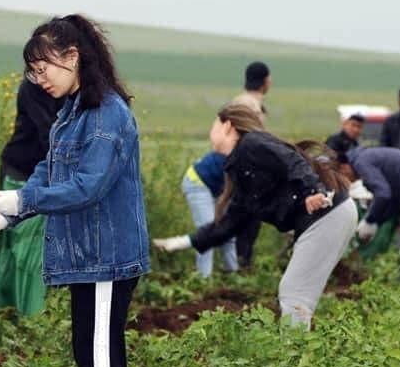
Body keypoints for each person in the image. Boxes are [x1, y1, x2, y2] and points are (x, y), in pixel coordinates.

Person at [0, 14, 149, 367]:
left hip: (107, 256)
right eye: (33, 73)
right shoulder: (74, 109)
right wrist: (11, 214)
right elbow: (48, 167)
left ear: (72, 56)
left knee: (100, 351)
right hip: (86, 254)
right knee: (86, 345)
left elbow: (89, 186)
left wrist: (22, 202)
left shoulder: (108, 114)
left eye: (43, 69)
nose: (39, 81)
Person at [152, 104, 357, 330]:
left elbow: (292, 160)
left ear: (228, 126)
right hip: (332, 216)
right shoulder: (242, 174)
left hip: (328, 214)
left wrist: (313, 190)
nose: (211, 132)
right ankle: (298, 353)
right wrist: (182, 242)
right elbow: (229, 225)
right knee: (296, 295)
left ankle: (295, 359)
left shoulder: (252, 143)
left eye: (214, 125)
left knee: (293, 294)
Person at [230, 61, 271, 269]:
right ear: (266, 81)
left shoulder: (238, 100)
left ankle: (239, 261)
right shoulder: (252, 105)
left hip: (237, 163)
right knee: (250, 216)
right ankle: (242, 262)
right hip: (248, 166)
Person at [181, 149, 245, 278]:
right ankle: (203, 280)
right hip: (198, 182)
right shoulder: (244, 156)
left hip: (220, 189)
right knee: (208, 234)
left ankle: (233, 277)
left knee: (228, 231)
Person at [0, 78, 64, 185]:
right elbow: (48, 133)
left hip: (44, 170)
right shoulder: (34, 83)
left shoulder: (71, 83)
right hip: (22, 171)